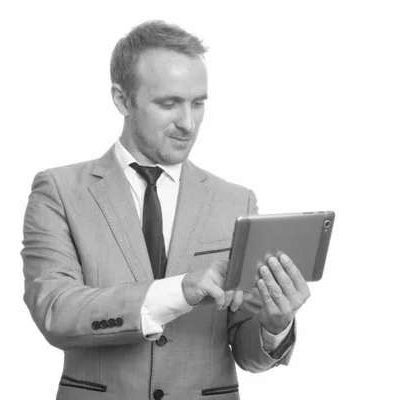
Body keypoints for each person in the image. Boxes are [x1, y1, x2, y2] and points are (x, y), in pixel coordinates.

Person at [21, 20, 310, 400]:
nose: (188, 124)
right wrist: (180, 290)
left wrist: (275, 324)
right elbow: (56, 313)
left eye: (198, 103)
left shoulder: (236, 201)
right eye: (169, 103)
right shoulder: (59, 191)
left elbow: (247, 352)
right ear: (122, 99)